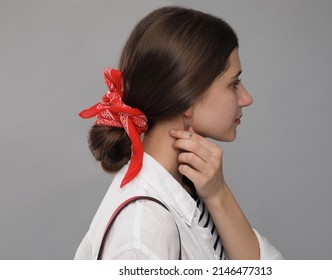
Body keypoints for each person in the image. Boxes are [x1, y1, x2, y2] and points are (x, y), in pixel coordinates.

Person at [75, 6, 282, 260]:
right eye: (233, 84)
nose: (246, 98)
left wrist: (219, 194)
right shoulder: (143, 231)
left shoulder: (188, 185)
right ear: (187, 99)